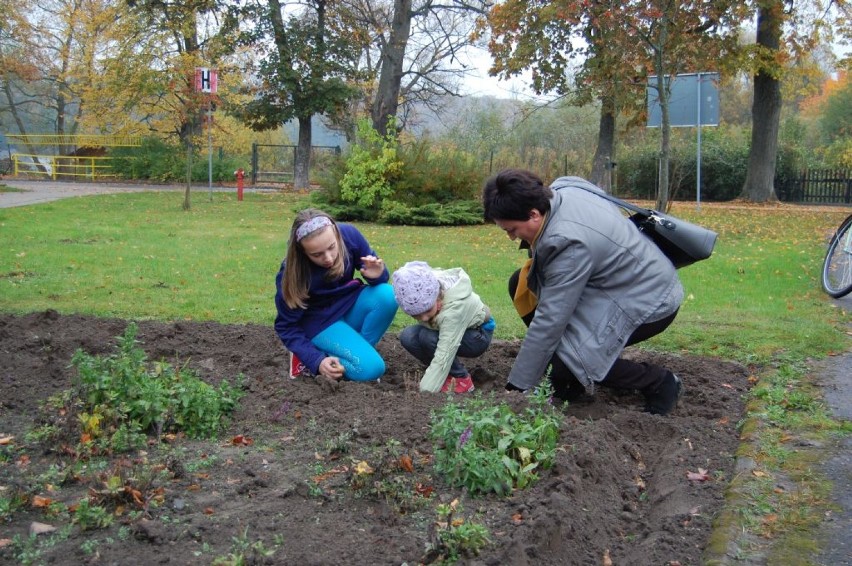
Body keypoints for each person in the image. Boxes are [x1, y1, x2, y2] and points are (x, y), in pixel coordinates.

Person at [482, 169, 685, 415]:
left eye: (512, 230)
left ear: (533, 214)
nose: (511, 238)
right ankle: (567, 379)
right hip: (617, 284)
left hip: (650, 300)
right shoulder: (563, 190)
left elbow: (551, 320)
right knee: (521, 284)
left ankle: (659, 382)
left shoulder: (567, 242)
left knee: (572, 361)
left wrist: (517, 388)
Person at [274, 209, 398, 383]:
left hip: (349, 304)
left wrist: (378, 275)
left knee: (388, 295)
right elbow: (286, 326)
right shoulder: (292, 273)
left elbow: (380, 277)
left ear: (336, 233)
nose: (328, 258)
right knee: (374, 369)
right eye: (316, 254)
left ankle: (359, 355)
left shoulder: (350, 235)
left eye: (332, 247)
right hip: (320, 323)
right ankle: (313, 358)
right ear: (302, 252)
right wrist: (316, 361)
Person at [392, 261, 495, 394]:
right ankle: (445, 375)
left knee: (427, 337)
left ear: (437, 296)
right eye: (416, 315)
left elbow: (445, 351)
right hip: (447, 330)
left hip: (477, 335)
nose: (424, 318)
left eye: (427, 310)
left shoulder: (454, 309)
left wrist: (425, 391)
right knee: (408, 336)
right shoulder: (424, 288)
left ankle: (461, 379)